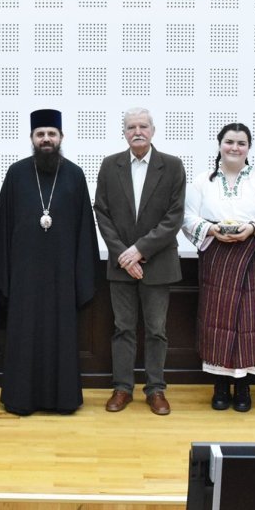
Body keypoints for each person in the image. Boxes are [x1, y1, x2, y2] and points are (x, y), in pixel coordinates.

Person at [0, 109, 98, 416]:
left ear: (61, 138)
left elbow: (84, 230)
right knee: (24, 334)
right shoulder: (16, 173)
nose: (46, 139)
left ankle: (63, 400)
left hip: (62, 275)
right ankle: (20, 399)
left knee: (61, 335)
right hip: (24, 276)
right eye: (40, 134)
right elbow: (3, 227)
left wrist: (80, 275)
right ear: (32, 139)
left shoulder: (75, 175)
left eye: (51, 133)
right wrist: (6, 274)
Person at [182, 123, 255, 413]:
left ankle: (243, 387)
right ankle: (219, 386)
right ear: (219, 144)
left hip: (253, 252)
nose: (234, 147)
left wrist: (253, 228)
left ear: (248, 148)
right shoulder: (203, 181)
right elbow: (188, 216)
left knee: (249, 321)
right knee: (217, 320)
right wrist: (211, 229)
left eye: (241, 143)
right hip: (217, 255)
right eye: (229, 141)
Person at [93, 108, 186, 416]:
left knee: (157, 330)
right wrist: (124, 254)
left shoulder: (171, 166)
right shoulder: (110, 165)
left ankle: (156, 389)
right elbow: (102, 213)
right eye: (131, 126)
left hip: (158, 264)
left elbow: (174, 217)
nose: (137, 131)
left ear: (153, 130)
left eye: (143, 126)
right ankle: (122, 388)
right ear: (124, 132)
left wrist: (140, 251)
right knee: (123, 329)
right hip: (121, 265)